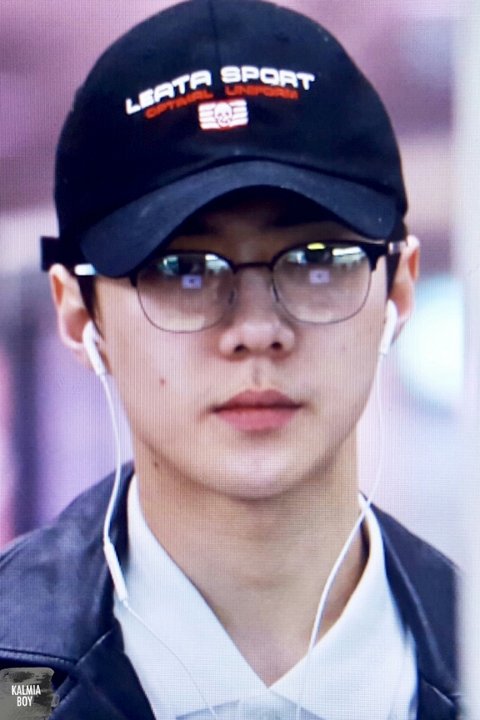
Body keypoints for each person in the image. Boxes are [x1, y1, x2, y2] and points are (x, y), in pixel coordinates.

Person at [0, 1, 460, 718]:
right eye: (183, 269)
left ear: (396, 289)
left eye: (315, 259)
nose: (256, 329)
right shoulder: (14, 666)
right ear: (78, 312)